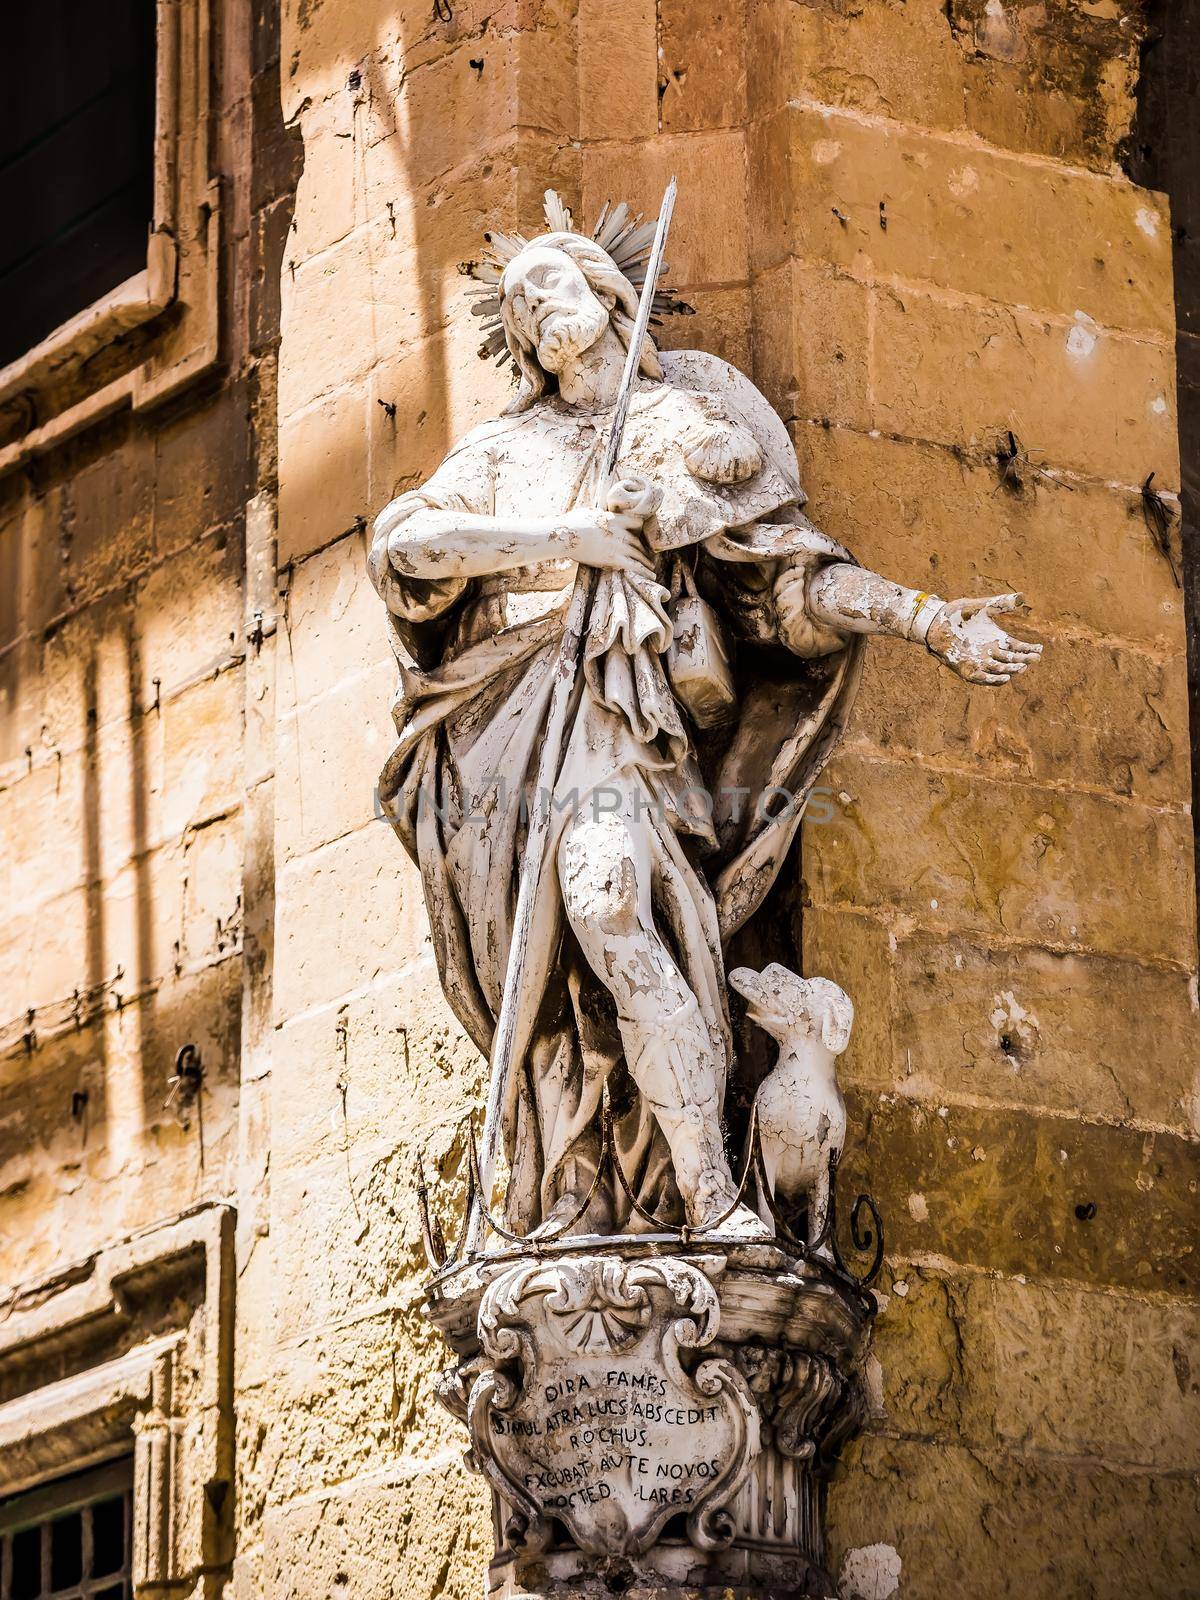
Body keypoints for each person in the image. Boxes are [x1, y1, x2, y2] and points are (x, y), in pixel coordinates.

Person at [368, 202, 1041, 1239]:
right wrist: (571, 536)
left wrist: (932, 621)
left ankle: (710, 1197)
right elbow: (404, 547)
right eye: (519, 302)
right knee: (542, 997)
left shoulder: (684, 427)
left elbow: (792, 588)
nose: (536, 306)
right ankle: (575, 1180)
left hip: (613, 730)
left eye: (554, 282)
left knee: (610, 908)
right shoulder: (507, 449)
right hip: (496, 745)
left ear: (611, 292)